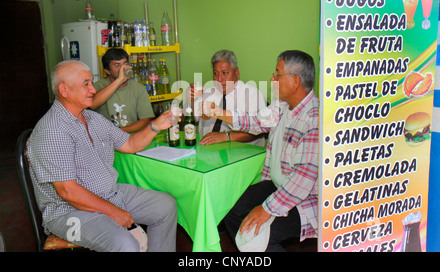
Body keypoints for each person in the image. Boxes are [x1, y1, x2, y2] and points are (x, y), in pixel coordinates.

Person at [27, 60, 178, 252]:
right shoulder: (52, 130)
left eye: (91, 82)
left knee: (165, 206)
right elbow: (68, 192)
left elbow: (129, 144)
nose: (92, 90)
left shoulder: (92, 118)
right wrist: (114, 212)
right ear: (64, 90)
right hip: (69, 212)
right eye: (86, 84)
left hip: (108, 194)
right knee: (125, 243)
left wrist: (155, 126)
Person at [203, 50, 319, 251]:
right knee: (230, 207)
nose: (272, 79)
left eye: (277, 74)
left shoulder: (314, 119)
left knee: (256, 234)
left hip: (305, 199)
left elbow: (302, 181)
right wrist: (218, 113)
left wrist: (266, 209)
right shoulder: (283, 106)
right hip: (277, 184)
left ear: (295, 81)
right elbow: (255, 121)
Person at [190, 49, 267, 146]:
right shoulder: (208, 92)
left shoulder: (252, 94)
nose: (219, 79)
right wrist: (192, 99)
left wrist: (226, 136)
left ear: (237, 72)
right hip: (208, 153)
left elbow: (258, 130)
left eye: (224, 73)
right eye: (215, 73)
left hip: (242, 154)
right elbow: (194, 117)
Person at [91, 48, 154, 133]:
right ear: (107, 71)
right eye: (117, 65)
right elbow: (92, 104)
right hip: (105, 141)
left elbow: (145, 120)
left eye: (125, 64)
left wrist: (119, 133)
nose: (123, 68)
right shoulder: (98, 86)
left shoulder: (138, 88)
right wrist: (119, 80)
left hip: (129, 138)